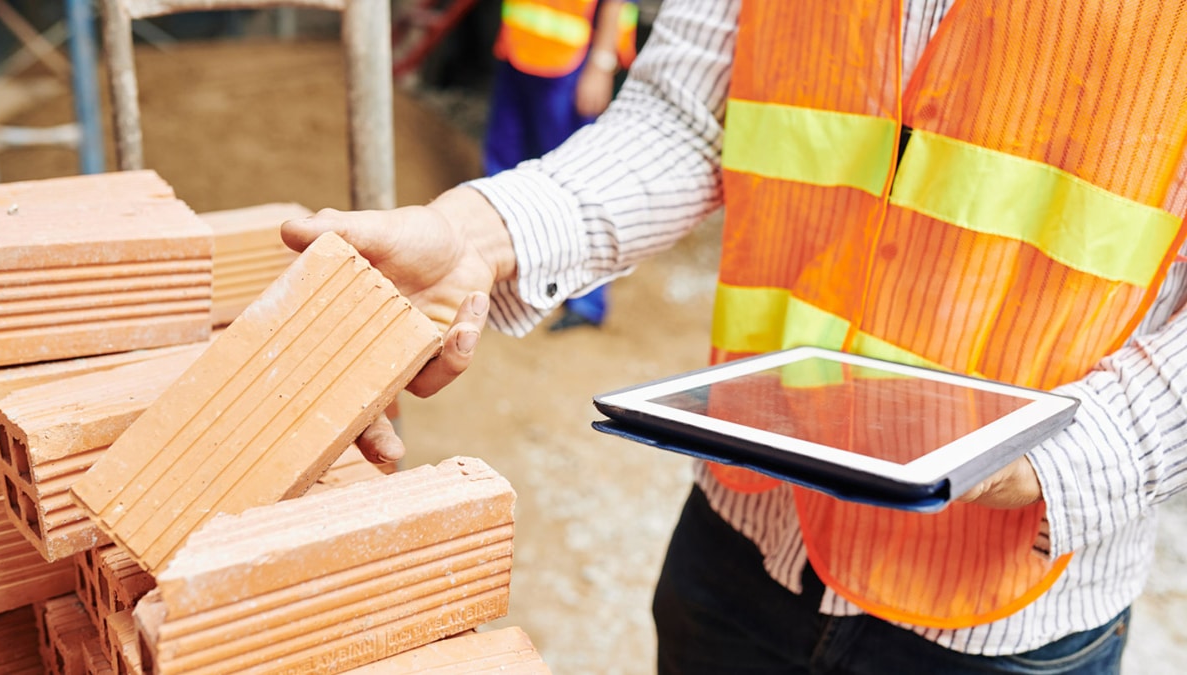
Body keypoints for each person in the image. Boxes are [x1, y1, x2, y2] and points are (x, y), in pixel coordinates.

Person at [282, 1, 1187, 672]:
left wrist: (1074, 453)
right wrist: (480, 235)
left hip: (1003, 611)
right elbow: (683, 117)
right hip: (748, 532)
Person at [483, 0, 639, 330]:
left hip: (571, 64)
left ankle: (586, 301)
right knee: (505, 164)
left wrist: (600, 64)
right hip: (522, 51)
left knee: (574, 180)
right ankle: (505, 270)